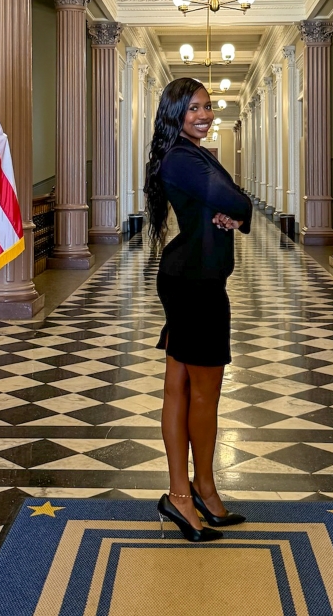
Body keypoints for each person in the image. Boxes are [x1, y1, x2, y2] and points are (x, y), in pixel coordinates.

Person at [144, 77, 253, 543]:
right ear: (174, 114)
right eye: (193, 108)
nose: (204, 115)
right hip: (195, 285)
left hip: (191, 279)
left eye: (208, 107)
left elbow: (231, 206)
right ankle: (186, 495)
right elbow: (236, 200)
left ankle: (197, 491)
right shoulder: (182, 159)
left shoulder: (195, 154)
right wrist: (239, 208)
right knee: (202, 392)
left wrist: (236, 213)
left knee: (180, 387)